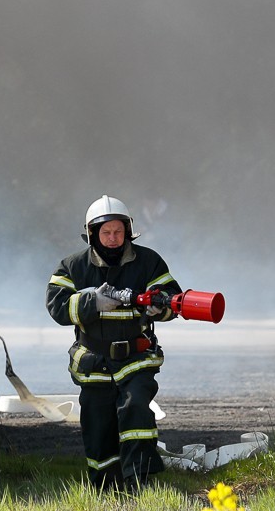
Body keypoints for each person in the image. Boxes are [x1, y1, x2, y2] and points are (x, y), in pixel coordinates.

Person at [45, 195, 182, 492]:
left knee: (136, 412)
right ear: (93, 234)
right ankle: (106, 490)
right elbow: (57, 307)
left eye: (118, 232)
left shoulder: (148, 262)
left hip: (136, 359)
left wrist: (163, 306)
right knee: (98, 428)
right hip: (94, 362)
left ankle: (138, 485)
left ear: (128, 231)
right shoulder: (73, 266)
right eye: (106, 233)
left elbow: (174, 298)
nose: (113, 239)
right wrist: (91, 302)